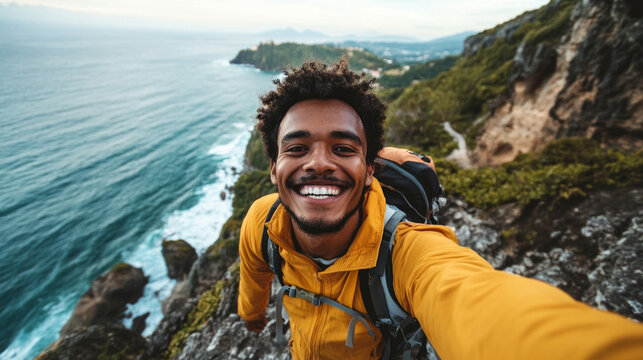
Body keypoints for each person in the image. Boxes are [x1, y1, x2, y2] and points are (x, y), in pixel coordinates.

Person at [237, 59, 643, 359]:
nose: (319, 163)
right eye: (296, 148)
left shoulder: (410, 255)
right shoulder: (262, 220)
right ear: (274, 169)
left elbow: (478, 305)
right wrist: (250, 316)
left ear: (369, 172)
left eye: (343, 148)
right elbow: (254, 272)